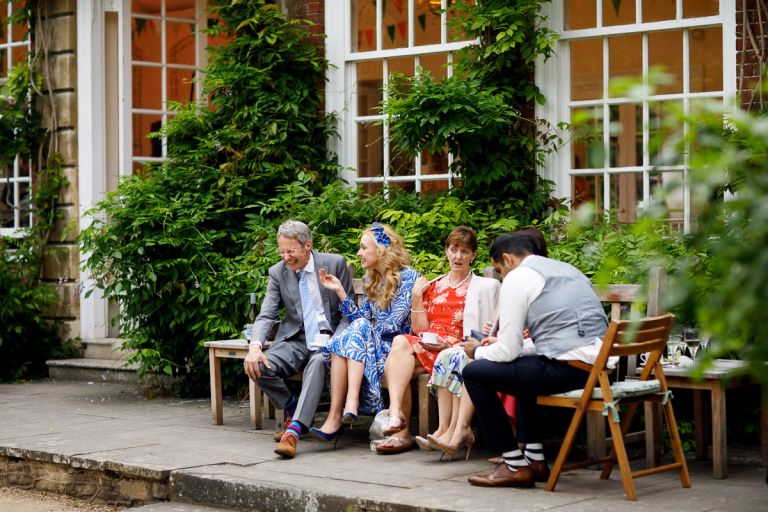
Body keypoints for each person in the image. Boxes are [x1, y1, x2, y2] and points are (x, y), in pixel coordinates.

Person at [460, 231, 609, 488]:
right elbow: (554, 337)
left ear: (507, 259)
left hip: (568, 369)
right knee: (521, 372)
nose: (502, 277)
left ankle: (513, 464)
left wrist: (477, 351)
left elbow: (507, 351)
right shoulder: (565, 269)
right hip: (595, 368)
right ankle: (535, 459)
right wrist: (508, 346)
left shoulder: (518, 277)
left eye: (499, 270)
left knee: (475, 373)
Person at [375, 225, 500, 455]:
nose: (458, 256)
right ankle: (395, 413)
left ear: (473, 255)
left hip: (457, 350)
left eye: (464, 251)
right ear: (446, 251)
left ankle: (400, 429)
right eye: (453, 250)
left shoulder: (482, 287)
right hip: (429, 347)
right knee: (401, 344)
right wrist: (416, 299)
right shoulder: (434, 286)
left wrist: (449, 345)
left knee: (397, 366)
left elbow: (488, 330)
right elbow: (420, 330)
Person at [427, 228, 548, 462]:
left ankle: (504, 443)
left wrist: (498, 340)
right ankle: (451, 431)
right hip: (523, 348)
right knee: (465, 361)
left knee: (477, 367)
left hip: (537, 353)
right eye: (453, 250)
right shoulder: (530, 278)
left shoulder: (531, 279)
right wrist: (493, 334)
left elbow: (532, 329)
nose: (458, 256)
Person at [243, 220, 354, 459]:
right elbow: (267, 313)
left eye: (291, 251)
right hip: (297, 339)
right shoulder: (278, 272)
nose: (286, 257)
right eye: (281, 251)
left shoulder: (335, 263)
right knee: (257, 364)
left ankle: (293, 430)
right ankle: (293, 407)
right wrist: (255, 346)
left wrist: (337, 340)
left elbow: (348, 311)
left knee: (317, 363)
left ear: (307, 246)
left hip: (329, 339)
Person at [309, 222, 418, 446]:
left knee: (348, 337)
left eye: (363, 247)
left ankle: (344, 410)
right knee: (346, 340)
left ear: (380, 249)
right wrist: (340, 291)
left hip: (397, 350)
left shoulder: (408, 278)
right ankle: (339, 413)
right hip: (371, 346)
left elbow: (392, 324)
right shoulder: (371, 279)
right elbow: (362, 319)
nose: (358, 253)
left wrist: (365, 328)